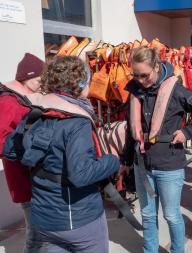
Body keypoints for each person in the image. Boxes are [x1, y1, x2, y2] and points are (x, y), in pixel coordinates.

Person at [3, 56, 121, 252]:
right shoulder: (76, 120)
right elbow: (81, 174)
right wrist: (112, 161)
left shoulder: (35, 112)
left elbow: (10, 150)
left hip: (45, 219)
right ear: (80, 84)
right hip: (78, 219)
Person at [120, 46, 192, 253]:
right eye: (135, 75)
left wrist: (187, 133)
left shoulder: (176, 90)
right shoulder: (135, 92)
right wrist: (126, 162)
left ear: (156, 67)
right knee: (147, 214)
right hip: (141, 163)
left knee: (171, 215)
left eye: (144, 75)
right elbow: (131, 130)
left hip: (169, 164)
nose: (140, 80)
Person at [0, 53, 45, 253]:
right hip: (23, 175)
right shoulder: (9, 102)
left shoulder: (19, 98)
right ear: (27, 77)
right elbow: (2, 142)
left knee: (39, 229)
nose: (42, 85)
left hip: (29, 173)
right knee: (35, 232)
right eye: (39, 80)